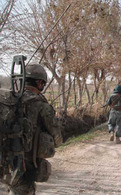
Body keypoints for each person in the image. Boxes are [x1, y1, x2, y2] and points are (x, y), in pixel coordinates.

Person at [7, 64, 63, 195]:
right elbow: (57, 137)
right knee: (23, 189)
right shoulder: (41, 105)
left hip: (5, 158)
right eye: (43, 83)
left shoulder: (10, 99)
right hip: (25, 163)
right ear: (39, 82)